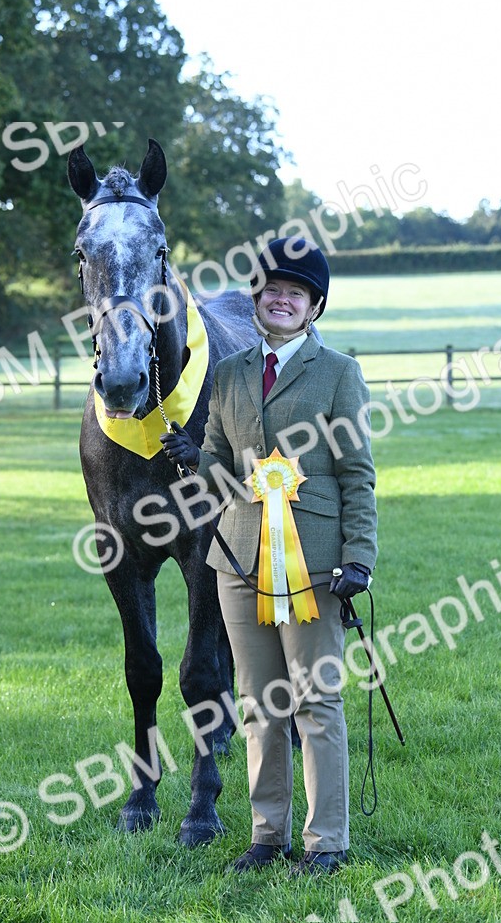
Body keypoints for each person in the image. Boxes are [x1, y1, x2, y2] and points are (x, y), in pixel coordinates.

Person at [161, 237, 377, 876]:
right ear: (256, 300)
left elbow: (357, 475)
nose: (280, 300)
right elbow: (225, 474)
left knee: (315, 703)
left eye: (295, 292)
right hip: (238, 565)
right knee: (258, 703)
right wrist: (193, 459)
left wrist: (359, 557)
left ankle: (326, 841)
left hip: (313, 564)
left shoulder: (339, 373)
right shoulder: (227, 376)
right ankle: (266, 834)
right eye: (271, 290)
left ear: (313, 306)